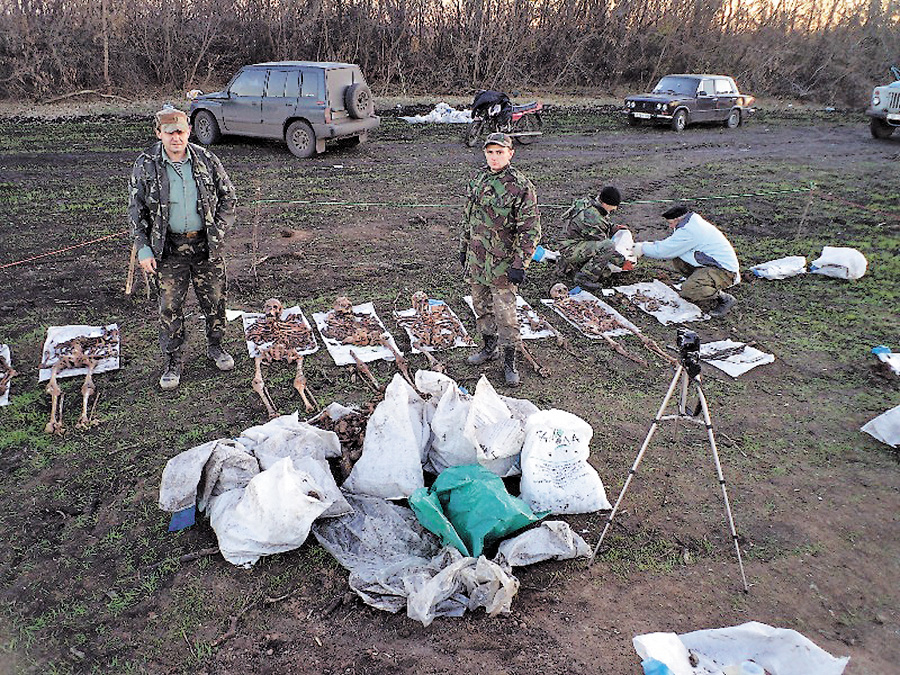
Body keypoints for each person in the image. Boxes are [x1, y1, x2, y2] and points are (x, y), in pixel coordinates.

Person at [129, 106, 237, 390]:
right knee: (170, 307)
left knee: (215, 301)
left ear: (188, 131)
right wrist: (143, 249)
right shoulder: (146, 164)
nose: (176, 138)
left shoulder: (206, 159)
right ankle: (173, 361)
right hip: (169, 249)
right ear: (159, 134)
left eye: (180, 131)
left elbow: (229, 198)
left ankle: (215, 346)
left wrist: (219, 231)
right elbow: (136, 210)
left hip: (206, 246)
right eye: (169, 133)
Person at [460, 132, 541, 387]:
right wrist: (464, 247)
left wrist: (520, 263)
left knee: (506, 315)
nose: (494, 157)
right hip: (477, 260)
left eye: (499, 152)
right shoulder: (478, 179)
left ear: (510, 153)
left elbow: (530, 230)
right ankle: (488, 348)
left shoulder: (521, 186)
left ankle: (509, 361)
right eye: (490, 152)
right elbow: (468, 217)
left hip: (503, 266)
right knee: (481, 307)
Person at [633, 205, 739, 316]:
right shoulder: (688, 223)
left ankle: (724, 298)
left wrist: (642, 249)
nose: (670, 226)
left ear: (678, 219)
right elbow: (671, 245)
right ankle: (698, 281)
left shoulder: (691, 230)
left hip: (725, 271)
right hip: (709, 265)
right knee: (678, 256)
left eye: (670, 223)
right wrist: (644, 246)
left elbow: (664, 250)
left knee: (688, 290)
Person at [556, 185, 633, 289]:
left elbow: (594, 228)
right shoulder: (593, 216)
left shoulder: (589, 203)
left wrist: (614, 228)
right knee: (608, 246)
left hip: (568, 243)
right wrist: (623, 262)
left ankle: (569, 265)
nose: (615, 208)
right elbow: (603, 244)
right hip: (570, 249)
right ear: (606, 203)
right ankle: (585, 278)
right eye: (614, 206)